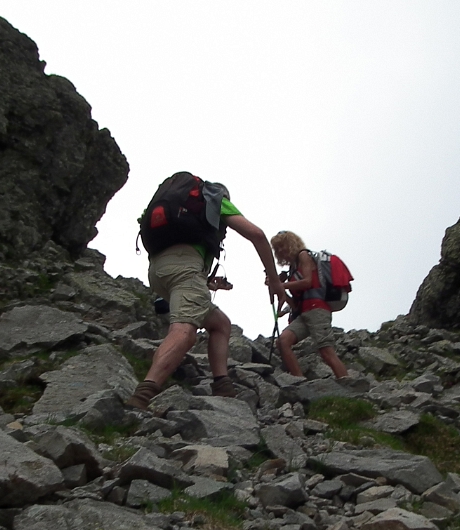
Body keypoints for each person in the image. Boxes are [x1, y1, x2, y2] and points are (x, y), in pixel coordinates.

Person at [126, 175, 289, 409]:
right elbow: (257, 235)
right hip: (185, 266)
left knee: (220, 323)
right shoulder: (215, 198)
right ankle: (143, 395)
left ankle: (222, 385)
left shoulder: (175, 204)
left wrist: (208, 283)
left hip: (158, 270)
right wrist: (274, 280)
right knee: (184, 331)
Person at [271, 230, 349, 379]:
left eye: (282, 246)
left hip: (318, 309)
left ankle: (349, 384)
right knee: (282, 342)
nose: (281, 251)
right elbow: (295, 305)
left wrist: (281, 285)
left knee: (326, 351)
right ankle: (300, 381)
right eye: (278, 249)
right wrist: (282, 290)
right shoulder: (293, 268)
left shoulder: (303, 255)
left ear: (290, 244)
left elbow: (307, 282)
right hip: (304, 312)